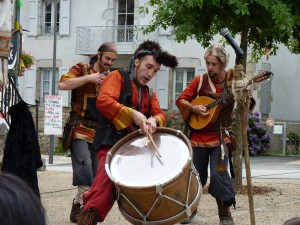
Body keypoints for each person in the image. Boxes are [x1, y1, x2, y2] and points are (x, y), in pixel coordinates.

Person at [77, 40, 178, 225]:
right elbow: (104, 101)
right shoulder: (117, 77)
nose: (150, 74)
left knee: (150, 187)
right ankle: (87, 214)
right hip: (111, 145)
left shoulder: (149, 92)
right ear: (137, 62)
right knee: (104, 187)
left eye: (155, 70)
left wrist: (154, 120)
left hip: (135, 150)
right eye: (149, 67)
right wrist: (132, 114)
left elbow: (159, 113)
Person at [176, 44, 236, 225]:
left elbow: (244, 101)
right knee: (196, 175)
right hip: (198, 137)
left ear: (222, 64)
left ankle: (224, 212)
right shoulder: (199, 81)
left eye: (214, 64)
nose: (209, 67)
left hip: (220, 136)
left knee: (219, 174)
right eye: (208, 63)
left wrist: (242, 91)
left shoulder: (232, 82)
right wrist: (193, 107)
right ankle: (190, 209)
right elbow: (181, 100)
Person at [58, 42, 118, 223]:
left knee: (96, 176)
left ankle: (77, 205)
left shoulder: (112, 77)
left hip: (99, 133)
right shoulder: (82, 69)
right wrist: (89, 79)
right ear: (98, 55)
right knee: (84, 167)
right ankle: (84, 212)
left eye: (113, 60)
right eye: (107, 58)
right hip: (79, 128)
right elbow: (62, 84)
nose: (109, 63)